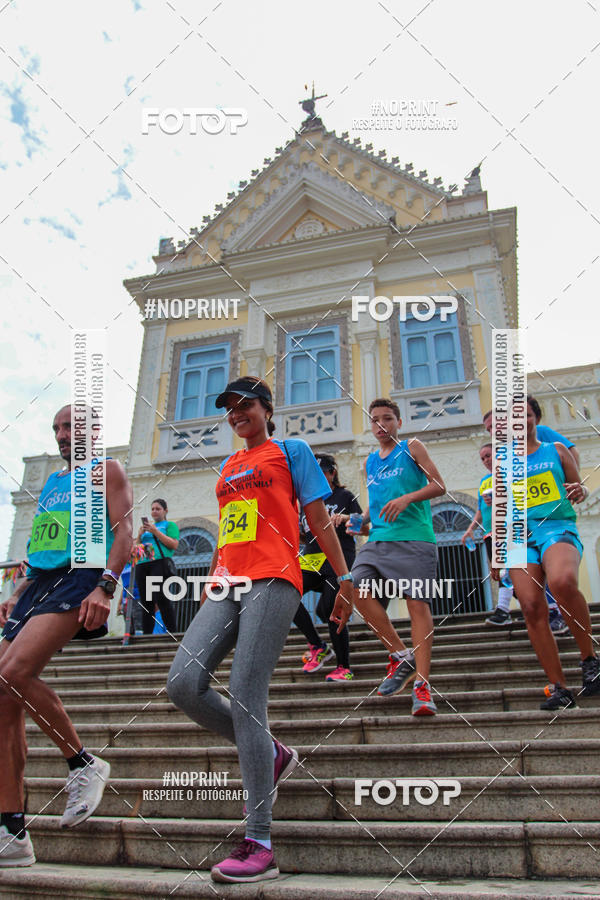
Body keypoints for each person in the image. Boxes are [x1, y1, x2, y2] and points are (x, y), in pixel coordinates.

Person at [166, 376, 354, 884]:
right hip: (227, 582)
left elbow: (315, 518)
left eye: (244, 404)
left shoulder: (291, 450)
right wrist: (211, 585)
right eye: (228, 408)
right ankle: (269, 751)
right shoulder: (228, 465)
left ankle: (260, 841)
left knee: (248, 695)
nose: (235, 413)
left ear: (267, 409)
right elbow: (229, 534)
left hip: (274, 578)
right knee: (182, 684)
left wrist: (345, 580)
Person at [0, 404, 132, 867]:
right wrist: (17, 590)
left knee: (13, 673)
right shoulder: (54, 483)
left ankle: (83, 763)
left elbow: (124, 531)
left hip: (81, 576)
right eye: (56, 427)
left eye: (70, 426)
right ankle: (12, 831)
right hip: (39, 583)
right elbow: (42, 544)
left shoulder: (107, 469)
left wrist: (105, 586)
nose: (61, 434)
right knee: (2, 694)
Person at [492, 399, 599, 709]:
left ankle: (590, 659)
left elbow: (577, 487)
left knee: (563, 581)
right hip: (517, 534)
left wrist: (580, 490)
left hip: (555, 525)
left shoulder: (556, 451)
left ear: (535, 418)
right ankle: (558, 687)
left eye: (524, 415)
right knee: (530, 605)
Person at [349, 398, 446, 716]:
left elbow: (438, 486)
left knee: (418, 606)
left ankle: (422, 686)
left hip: (416, 539)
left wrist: (408, 498)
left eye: (387, 419)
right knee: (356, 589)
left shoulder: (412, 447)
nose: (381, 425)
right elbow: (377, 505)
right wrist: (359, 522)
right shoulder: (370, 462)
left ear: (398, 423)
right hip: (378, 541)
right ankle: (401, 654)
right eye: (375, 420)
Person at [483, 403, 574, 635]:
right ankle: (511, 611)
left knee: (557, 575)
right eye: (489, 429)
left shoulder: (540, 435)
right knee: (524, 584)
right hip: (519, 527)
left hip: (553, 522)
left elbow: (570, 451)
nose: (493, 431)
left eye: (496, 425)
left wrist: (572, 485)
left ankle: (561, 617)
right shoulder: (504, 455)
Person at [294, 453, 362, 681]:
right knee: (286, 592)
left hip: (338, 557)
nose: (317, 478)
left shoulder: (344, 496)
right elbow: (306, 534)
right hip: (312, 557)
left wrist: (346, 518)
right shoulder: (307, 500)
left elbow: (361, 524)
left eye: (322, 473)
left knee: (329, 610)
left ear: (332, 473)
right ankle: (317, 645)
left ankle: (345, 666)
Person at [461, 443, 515, 626]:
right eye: (482, 458)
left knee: (507, 570)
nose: (486, 460)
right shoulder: (484, 481)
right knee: (500, 573)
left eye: (488, 456)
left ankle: (503, 609)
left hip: (506, 529)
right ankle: (532, 604)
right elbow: (480, 510)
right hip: (489, 532)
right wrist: (470, 529)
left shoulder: (509, 476)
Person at [134, 499, 179, 635]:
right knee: (146, 602)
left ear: (165, 511)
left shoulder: (169, 525)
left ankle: (172, 632)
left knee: (161, 598)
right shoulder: (146, 529)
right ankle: (147, 634)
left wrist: (155, 531)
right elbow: (136, 550)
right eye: (152, 509)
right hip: (143, 563)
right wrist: (140, 536)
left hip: (159, 563)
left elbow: (173, 544)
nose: (154, 511)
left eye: (158, 509)